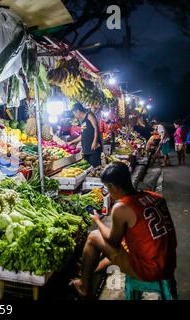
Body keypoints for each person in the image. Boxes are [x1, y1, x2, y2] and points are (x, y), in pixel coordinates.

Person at [70, 162, 177, 298]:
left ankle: (83, 286)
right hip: (168, 262)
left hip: (149, 269)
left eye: (107, 188)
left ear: (113, 187)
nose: (108, 192)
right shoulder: (155, 197)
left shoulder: (121, 207)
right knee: (118, 240)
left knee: (94, 237)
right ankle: (91, 269)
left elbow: (112, 242)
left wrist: (97, 220)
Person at [70, 103, 102, 167]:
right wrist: (72, 142)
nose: (75, 116)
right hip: (86, 151)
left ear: (78, 111)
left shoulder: (89, 115)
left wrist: (94, 142)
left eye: (74, 113)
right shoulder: (82, 121)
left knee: (95, 168)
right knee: (89, 170)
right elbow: (82, 135)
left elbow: (96, 128)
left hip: (93, 150)